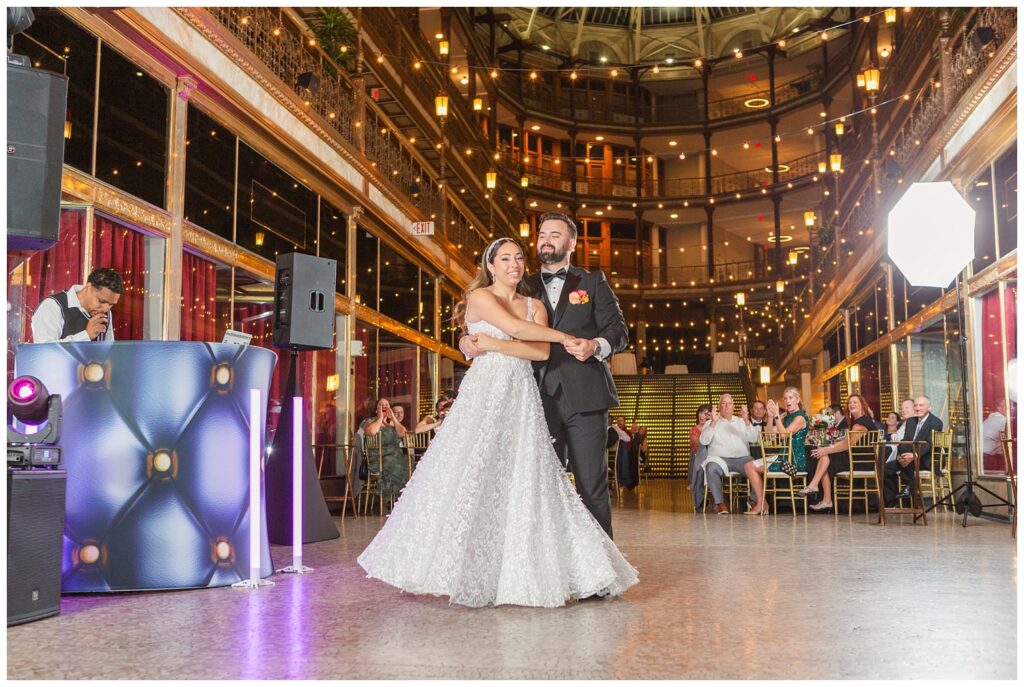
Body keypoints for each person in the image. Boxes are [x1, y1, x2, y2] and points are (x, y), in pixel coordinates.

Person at [359, 237, 637, 607]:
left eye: (519, 257)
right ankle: (460, 567)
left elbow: (536, 350)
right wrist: (563, 337)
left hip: (523, 393)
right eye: (505, 258)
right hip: (485, 392)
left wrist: (492, 344)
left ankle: (543, 571)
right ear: (490, 265)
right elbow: (519, 330)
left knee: (527, 479)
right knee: (471, 474)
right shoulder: (480, 298)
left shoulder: (535, 303)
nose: (514, 263)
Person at [459, 212, 628, 538]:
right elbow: (492, 322)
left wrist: (595, 345)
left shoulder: (592, 282)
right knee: (538, 486)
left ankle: (600, 570)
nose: (546, 240)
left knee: (592, 485)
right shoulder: (522, 283)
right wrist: (466, 340)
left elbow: (619, 331)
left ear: (572, 242)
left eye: (555, 234)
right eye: (542, 235)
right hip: (533, 397)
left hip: (586, 396)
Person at [800, 394, 876, 512]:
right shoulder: (856, 421)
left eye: (855, 402)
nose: (852, 404)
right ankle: (821, 495)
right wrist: (828, 447)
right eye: (850, 403)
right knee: (824, 457)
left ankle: (820, 493)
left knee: (824, 457)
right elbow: (845, 442)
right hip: (855, 459)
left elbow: (847, 444)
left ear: (862, 405)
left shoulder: (861, 423)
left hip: (860, 462)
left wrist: (826, 449)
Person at [744, 387, 809, 515]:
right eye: (785, 398)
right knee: (748, 466)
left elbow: (785, 435)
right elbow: (768, 434)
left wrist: (778, 417)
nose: (787, 401)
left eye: (790, 398)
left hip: (793, 463)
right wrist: (771, 416)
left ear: (797, 399)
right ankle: (762, 503)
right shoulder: (786, 417)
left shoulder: (800, 418)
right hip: (782, 458)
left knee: (750, 467)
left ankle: (761, 505)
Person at [699, 393, 759, 515]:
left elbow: (754, 438)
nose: (727, 406)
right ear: (719, 407)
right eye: (723, 403)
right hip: (719, 460)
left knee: (758, 466)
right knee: (710, 468)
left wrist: (747, 420)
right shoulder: (710, 422)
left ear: (733, 406)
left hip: (742, 459)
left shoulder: (741, 421)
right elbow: (703, 441)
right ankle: (720, 503)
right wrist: (713, 423)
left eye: (729, 403)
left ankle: (753, 500)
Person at [31, 267, 124, 342]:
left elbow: (108, 352)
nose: (105, 309)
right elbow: (43, 352)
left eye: (111, 304)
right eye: (101, 301)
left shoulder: (106, 314)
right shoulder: (52, 306)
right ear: (88, 287)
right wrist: (86, 335)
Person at [883, 395, 944, 506]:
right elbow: (904, 441)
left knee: (911, 462)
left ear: (929, 407)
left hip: (926, 459)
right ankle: (893, 501)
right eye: (915, 405)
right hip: (909, 459)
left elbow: (929, 444)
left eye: (921, 405)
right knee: (884, 468)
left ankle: (909, 488)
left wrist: (914, 455)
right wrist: (901, 456)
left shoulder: (936, 422)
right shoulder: (911, 422)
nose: (918, 408)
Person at [361, 397, 410, 503]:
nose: (384, 406)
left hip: (396, 456)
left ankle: (403, 499)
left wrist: (393, 417)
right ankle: (390, 499)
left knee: (409, 464)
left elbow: (403, 434)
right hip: (379, 458)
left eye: (386, 404)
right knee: (392, 464)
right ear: (376, 409)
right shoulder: (369, 421)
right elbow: (372, 432)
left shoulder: (392, 423)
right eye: (381, 404)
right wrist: (380, 418)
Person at [688, 404, 713, 508]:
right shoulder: (694, 429)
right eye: (701, 413)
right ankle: (700, 498)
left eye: (706, 413)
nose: (703, 416)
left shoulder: (714, 427)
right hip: (698, 457)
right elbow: (698, 443)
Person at [982, 398, 1008, 471]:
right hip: (989, 459)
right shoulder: (1002, 419)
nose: (1010, 409)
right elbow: (1005, 439)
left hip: (982, 456)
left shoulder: (992, 417)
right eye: (1007, 406)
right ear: (999, 408)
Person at [610, 417, 633, 490]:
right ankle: (622, 477)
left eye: (621, 421)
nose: (620, 422)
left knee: (622, 444)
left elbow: (629, 443)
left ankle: (622, 477)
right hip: (612, 453)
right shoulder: (613, 430)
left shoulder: (628, 432)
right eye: (618, 421)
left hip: (625, 454)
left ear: (625, 422)